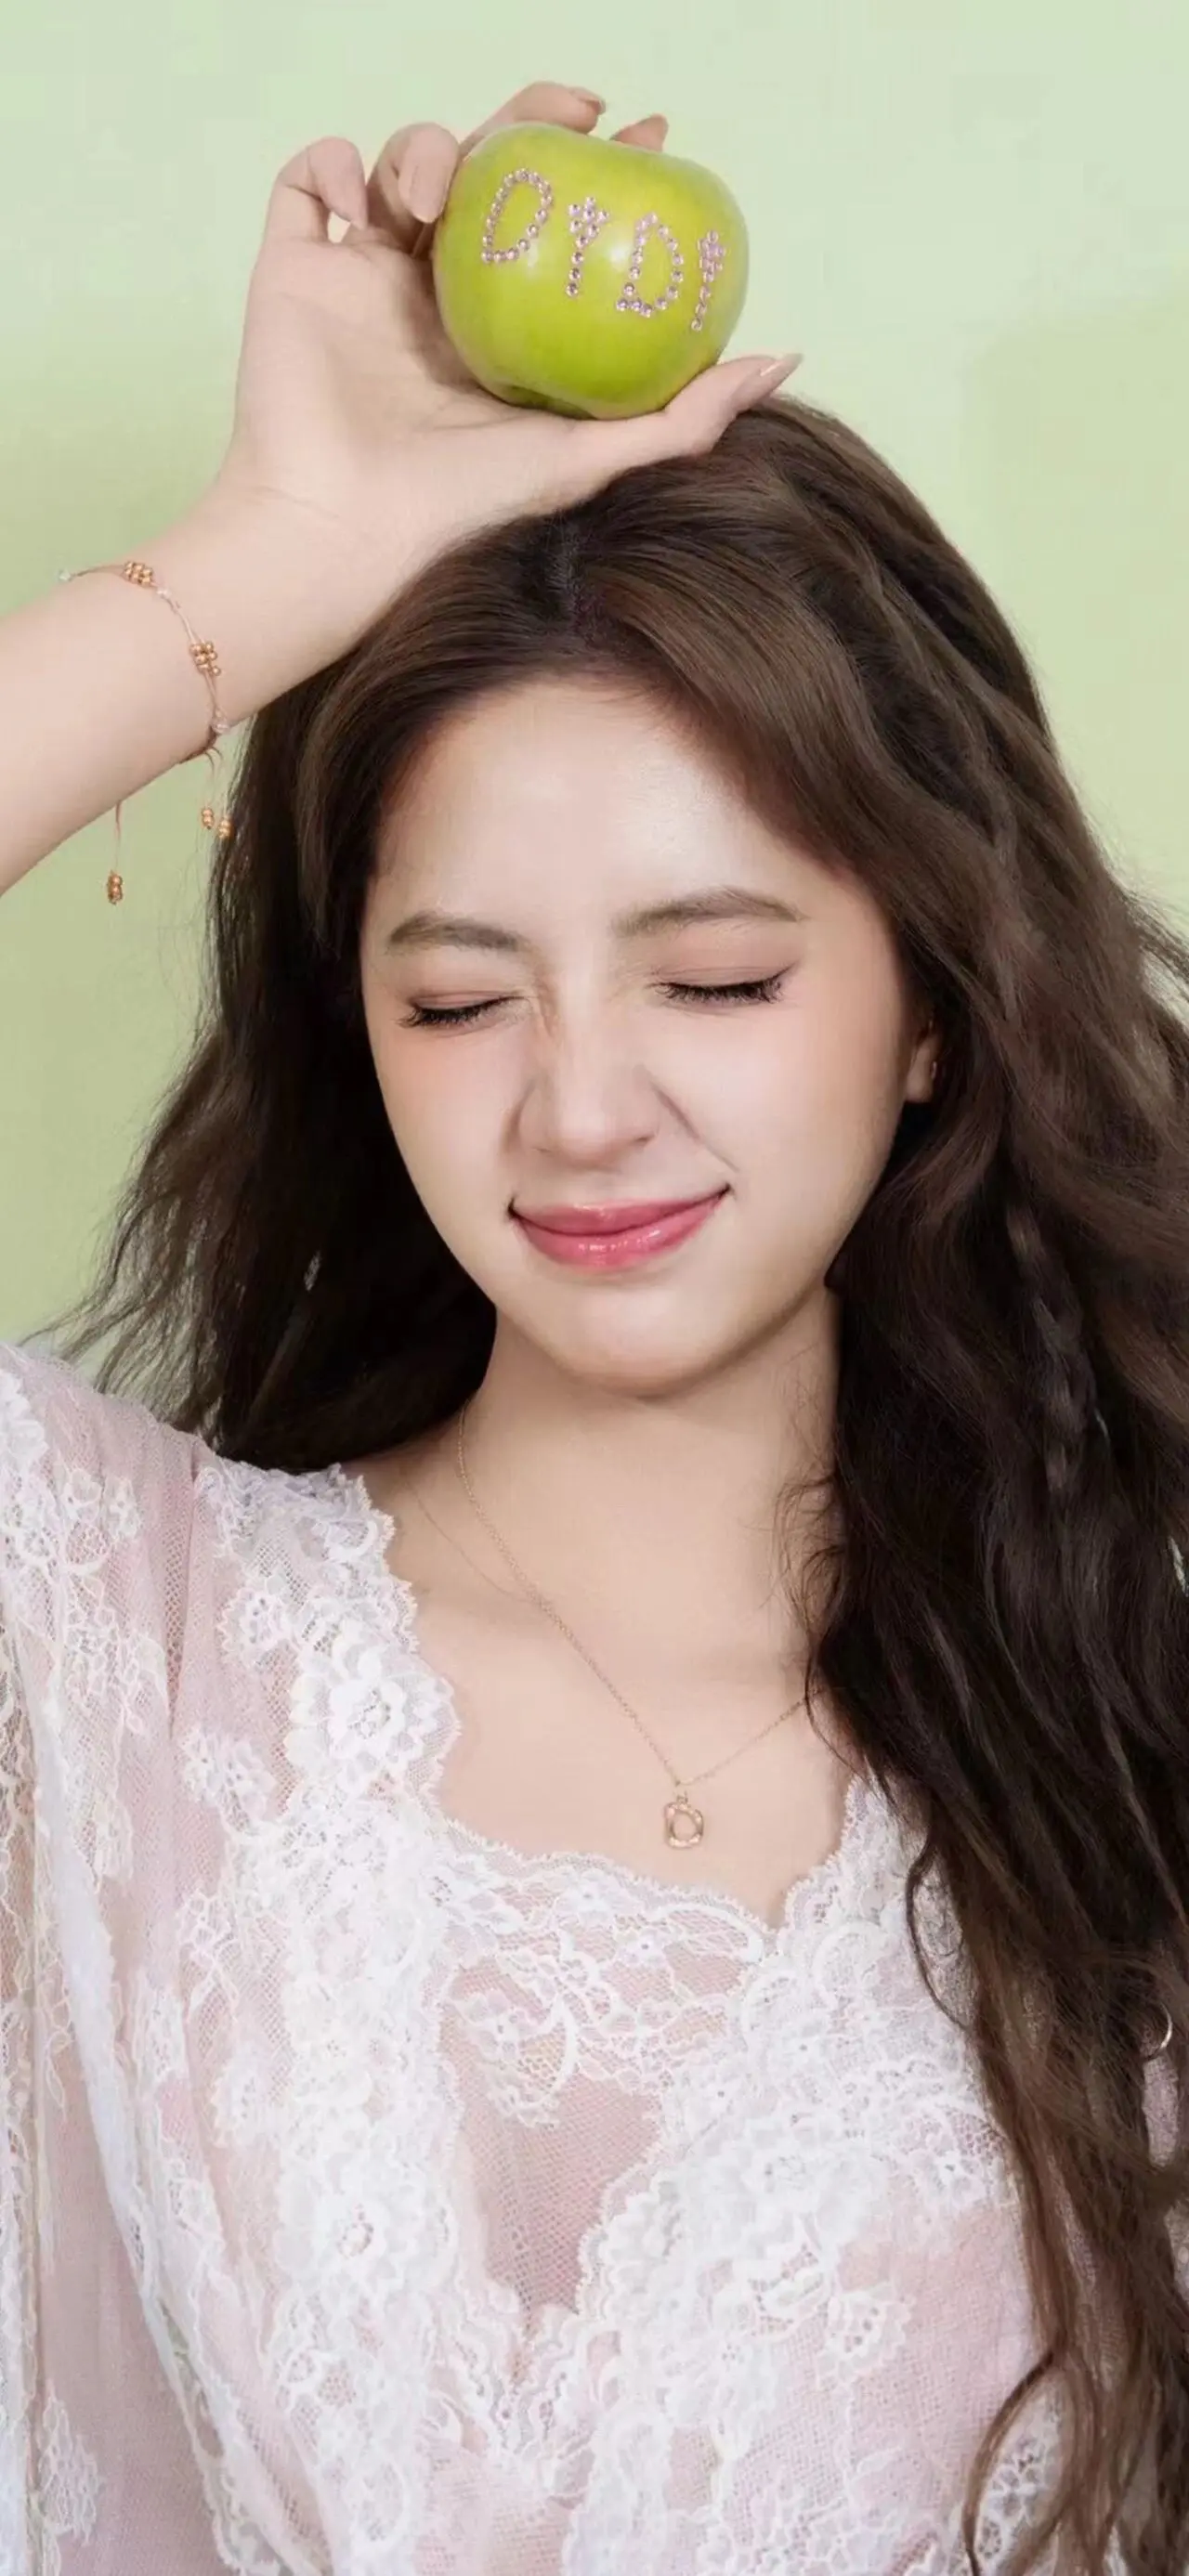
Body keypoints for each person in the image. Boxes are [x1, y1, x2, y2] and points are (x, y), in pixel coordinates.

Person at [1, 73, 1187, 2576]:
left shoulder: (1131, 1727)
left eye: (719, 974)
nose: (579, 1107)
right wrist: (261, 562)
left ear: (933, 1002)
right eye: (457, 999)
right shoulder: (128, 1647)